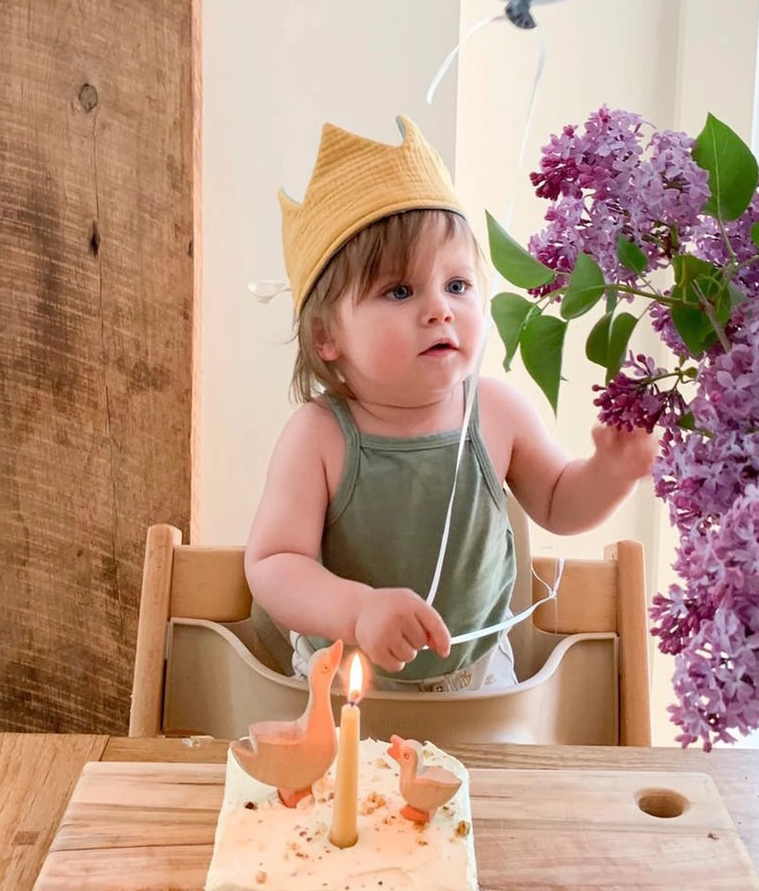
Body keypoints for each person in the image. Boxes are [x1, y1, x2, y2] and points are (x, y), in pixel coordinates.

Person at [245, 114, 656, 692]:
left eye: (457, 285)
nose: (439, 309)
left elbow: (562, 505)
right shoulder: (320, 436)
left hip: (478, 679)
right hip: (345, 682)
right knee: (347, 786)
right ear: (325, 338)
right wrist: (358, 610)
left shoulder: (498, 412)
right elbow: (273, 565)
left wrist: (611, 473)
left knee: (492, 782)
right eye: (399, 290)